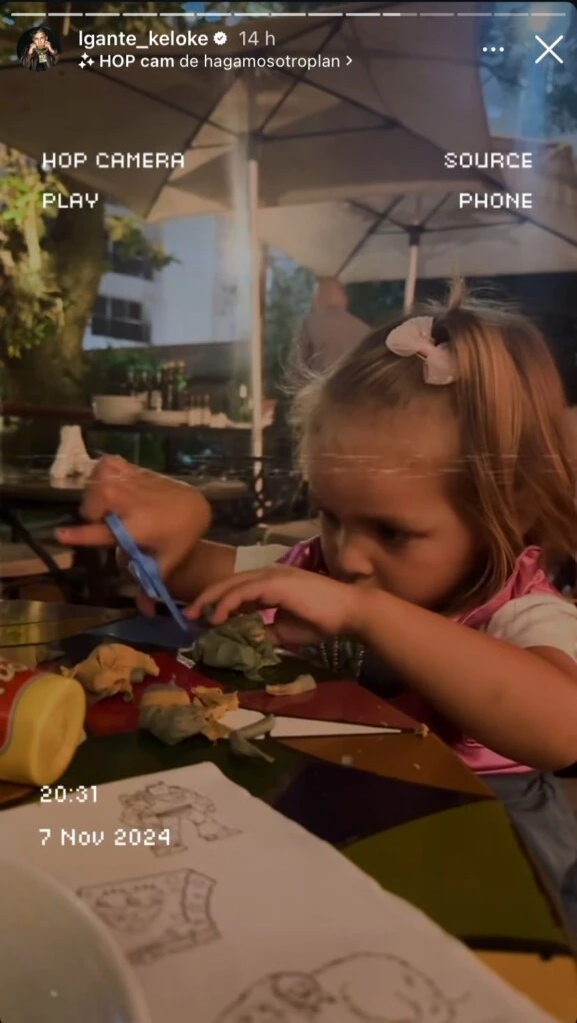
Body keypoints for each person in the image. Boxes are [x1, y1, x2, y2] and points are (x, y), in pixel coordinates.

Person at [58, 283, 577, 933]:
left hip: (488, 852)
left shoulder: (519, 608)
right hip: (339, 813)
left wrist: (366, 613)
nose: (348, 557)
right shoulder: (317, 567)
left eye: (390, 532)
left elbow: (559, 730)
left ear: (510, 509)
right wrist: (177, 529)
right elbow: (186, 575)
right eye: (330, 515)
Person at [293, 277, 369, 375]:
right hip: (356, 382)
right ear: (344, 299)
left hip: (325, 381)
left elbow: (301, 368)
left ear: (318, 299)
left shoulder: (310, 324)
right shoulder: (364, 328)